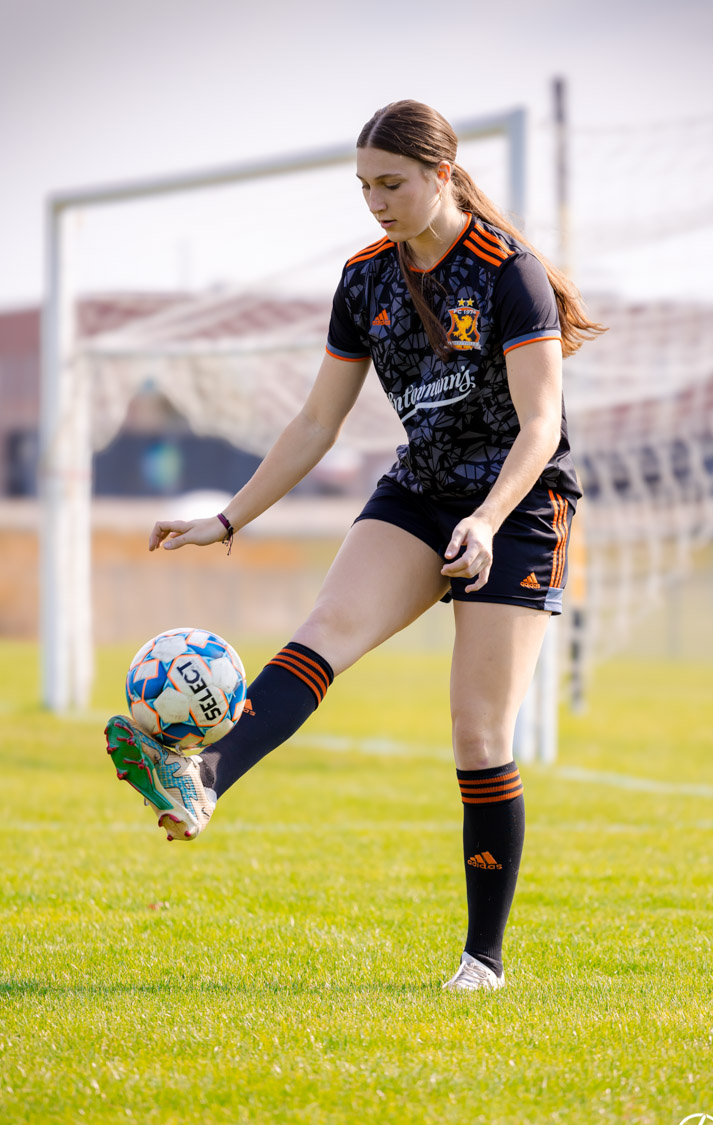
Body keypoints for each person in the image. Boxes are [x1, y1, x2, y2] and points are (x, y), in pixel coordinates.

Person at [105, 99, 604, 992]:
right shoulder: (364, 279)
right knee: (325, 626)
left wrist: (486, 521)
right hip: (419, 491)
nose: (376, 201)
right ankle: (202, 778)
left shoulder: (507, 272)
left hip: (516, 507)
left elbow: (541, 424)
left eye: (393, 184)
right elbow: (314, 422)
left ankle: (481, 960)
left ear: (440, 176)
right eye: (364, 186)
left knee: (477, 728)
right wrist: (229, 518)